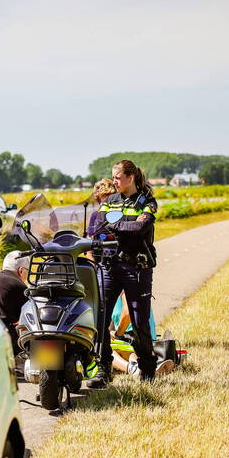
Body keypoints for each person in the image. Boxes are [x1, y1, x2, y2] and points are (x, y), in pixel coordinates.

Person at [89, 159, 159, 386]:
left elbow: (141, 229)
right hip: (110, 266)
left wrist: (116, 226)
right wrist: (125, 226)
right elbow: (99, 228)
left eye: (118, 178)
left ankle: (148, 371)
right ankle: (103, 369)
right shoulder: (110, 201)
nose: (115, 181)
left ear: (131, 178)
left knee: (139, 322)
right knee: (100, 319)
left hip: (136, 268)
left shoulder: (146, 201)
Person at [0, 250, 29, 354]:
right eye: (28, 271)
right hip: (5, 339)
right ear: (21, 271)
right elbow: (27, 319)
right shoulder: (19, 287)